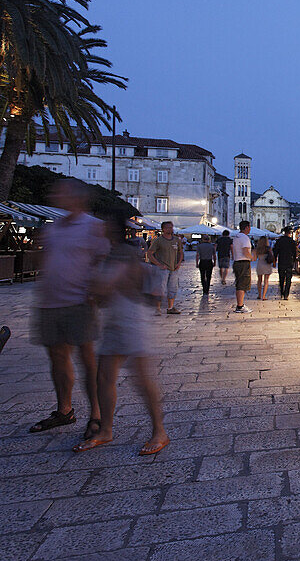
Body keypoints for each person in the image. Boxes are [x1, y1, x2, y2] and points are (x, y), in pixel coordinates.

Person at [73, 211, 169, 456]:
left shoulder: (124, 254)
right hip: (115, 317)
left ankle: (159, 431)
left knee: (141, 378)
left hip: (131, 317)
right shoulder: (110, 254)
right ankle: (106, 429)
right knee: (104, 377)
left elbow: (105, 286)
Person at [29, 179, 108, 438]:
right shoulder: (53, 229)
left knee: (86, 359)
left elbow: (103, 260)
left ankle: (96, 415)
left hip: (78, 302)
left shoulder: (93, 227)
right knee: (57, 357)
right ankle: (65, 410)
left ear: (77, 198)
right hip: (50, 302)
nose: (55, 195)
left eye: (60, 192)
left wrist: (94, 290)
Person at [146, 221, 184, 315]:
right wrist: (158, 264)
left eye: (171, 227)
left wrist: (178, 263)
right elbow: (150, 253)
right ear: (163, 229)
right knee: (160, 288)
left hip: (174, 268)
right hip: (162, 268)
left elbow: (180, 252)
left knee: (173, 288)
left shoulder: (176, 240)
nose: (170, 229)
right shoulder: (158, 240)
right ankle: (157, 308)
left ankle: (170, 307)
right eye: (167, 227)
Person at [231, 221, 254, 313]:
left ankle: (240, 304)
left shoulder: (236, 237)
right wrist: (252, 257)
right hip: (243, 262)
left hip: (237, 262)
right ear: (247, 227)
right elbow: (245, 251)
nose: (250, 229)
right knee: (243, 284)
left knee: (239, 283)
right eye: (249, 227)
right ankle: (240, 306)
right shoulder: (244, 238)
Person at [273, 227, 298, 299]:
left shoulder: (279, 241)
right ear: (289, 233)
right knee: (288, 278)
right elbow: (294, 253)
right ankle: (286, 294)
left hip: (281, 261)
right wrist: (294, 260)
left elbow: (275, 251)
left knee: (281, 277)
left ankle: (281, 292)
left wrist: (275, 260)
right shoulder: (292, 241)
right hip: (289, 262)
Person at [254, 236, 274, 300]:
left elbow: (254, 258)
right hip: (267, 264)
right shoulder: (269, 248)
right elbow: (271, 256)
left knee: (259, 280)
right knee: (266, 281)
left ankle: (259, 295)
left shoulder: (257, 249)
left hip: (260, 264)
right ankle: (264, 296)